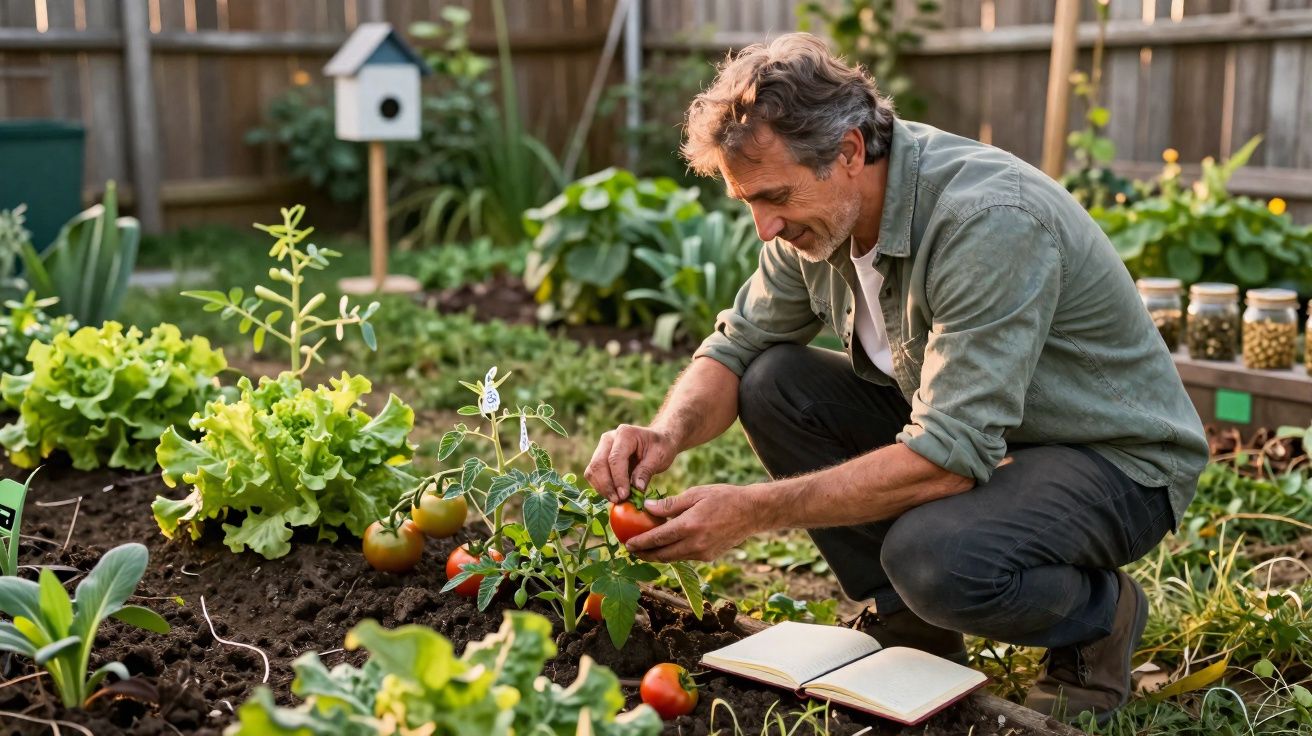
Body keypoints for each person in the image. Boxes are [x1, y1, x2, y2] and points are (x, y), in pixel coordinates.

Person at [584, 33, 1207, 724]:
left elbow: (949, 456)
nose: (764, 226)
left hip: (1114, 461)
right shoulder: (817, 219)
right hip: (995, 441)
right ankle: (911, 629)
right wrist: (665, 432)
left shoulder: (986, 221)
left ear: (850, 151)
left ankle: (1099, 619)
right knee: (773, 381)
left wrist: (754, 511)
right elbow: (737, 348)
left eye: (774, 196)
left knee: (934, 558)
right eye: (747, 202)